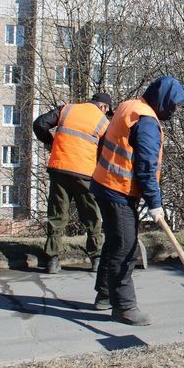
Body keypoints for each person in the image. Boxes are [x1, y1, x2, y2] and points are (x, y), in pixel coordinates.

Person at [91, 76, 184, 326]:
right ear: (163, 100)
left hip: (105, 183)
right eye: (173, 105)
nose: (174, 111)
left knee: (115, 243)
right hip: (116, 190)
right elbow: (146, 166)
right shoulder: (146, 122)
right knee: (125, 247)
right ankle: (124, 307)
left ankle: (105, 295)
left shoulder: (130, 105)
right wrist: (155, 203)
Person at [33, 92, 113, 274]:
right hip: (85, 173)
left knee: (57, 215)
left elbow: (39, 124)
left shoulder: (67, 109)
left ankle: (52, 260)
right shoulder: (103, 122)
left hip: (59, 169)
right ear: (103, 107)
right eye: (107, 111)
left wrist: (50, 142)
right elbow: (106, 152)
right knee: (92, 217)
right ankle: (96, 258)